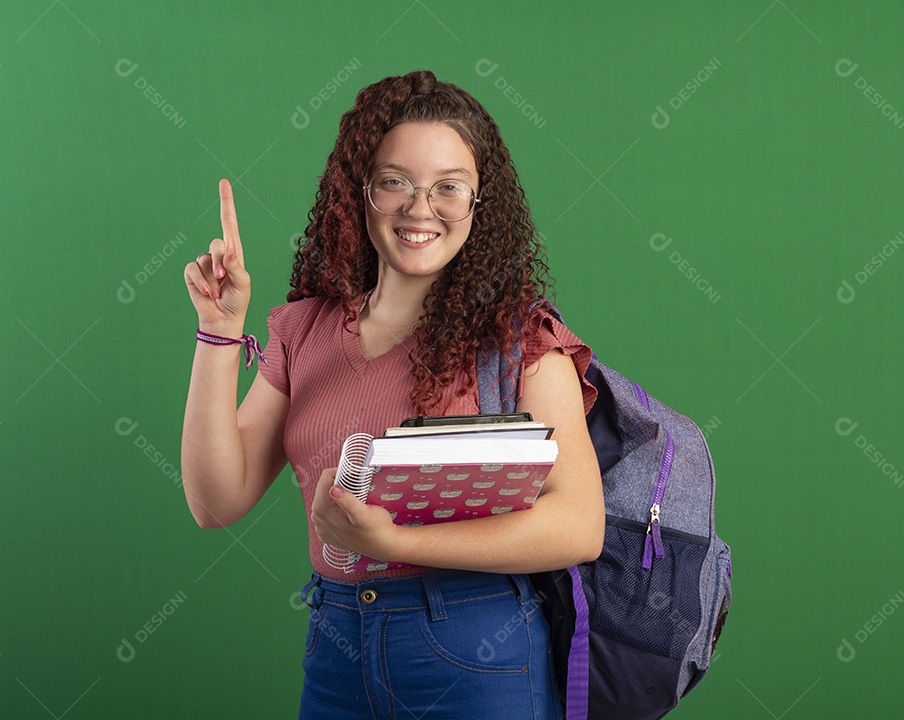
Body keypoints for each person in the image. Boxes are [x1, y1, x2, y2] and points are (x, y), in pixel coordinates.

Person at [181, 69, 604, 719]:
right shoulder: (303, 330)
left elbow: (579, 525)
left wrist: (397, 544)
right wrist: (218, 331)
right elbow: (215, 500)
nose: (420, 208)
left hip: (474, 647)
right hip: (336, 645)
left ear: (478, 205)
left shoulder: (521, 340)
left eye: (449, 189)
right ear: (362, 192)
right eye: (395, 182)